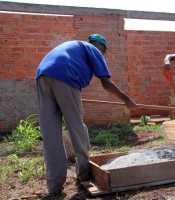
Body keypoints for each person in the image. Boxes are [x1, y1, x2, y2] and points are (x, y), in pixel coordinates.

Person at [36, 34, 136, 195]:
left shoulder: (75, 49)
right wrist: (126, 99)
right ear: (98, 44)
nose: (102, 55)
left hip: (42, 76)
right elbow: (106, 83)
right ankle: (84, 174)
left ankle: (54, 187)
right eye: (103, 50)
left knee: (50, 136)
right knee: (77, 129)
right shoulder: (92, 49)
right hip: (65, 77)